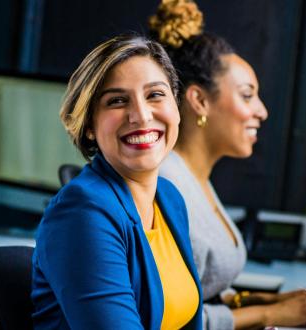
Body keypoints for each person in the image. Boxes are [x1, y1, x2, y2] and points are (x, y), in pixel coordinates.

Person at [150, 1, 306, 329]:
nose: (262, 111)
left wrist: (264, 300)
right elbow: (169, 318)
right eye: (247, 95)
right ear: (199, 100)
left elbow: (202, 292)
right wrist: (269, 315)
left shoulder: (196, 179)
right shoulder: (167, 186)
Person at [30, 35, 202, 329]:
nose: (141, 115)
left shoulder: (169, 198)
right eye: (118, 101)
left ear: (175, 105)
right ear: (89, 128)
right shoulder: (82, 211)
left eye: (155, 95)